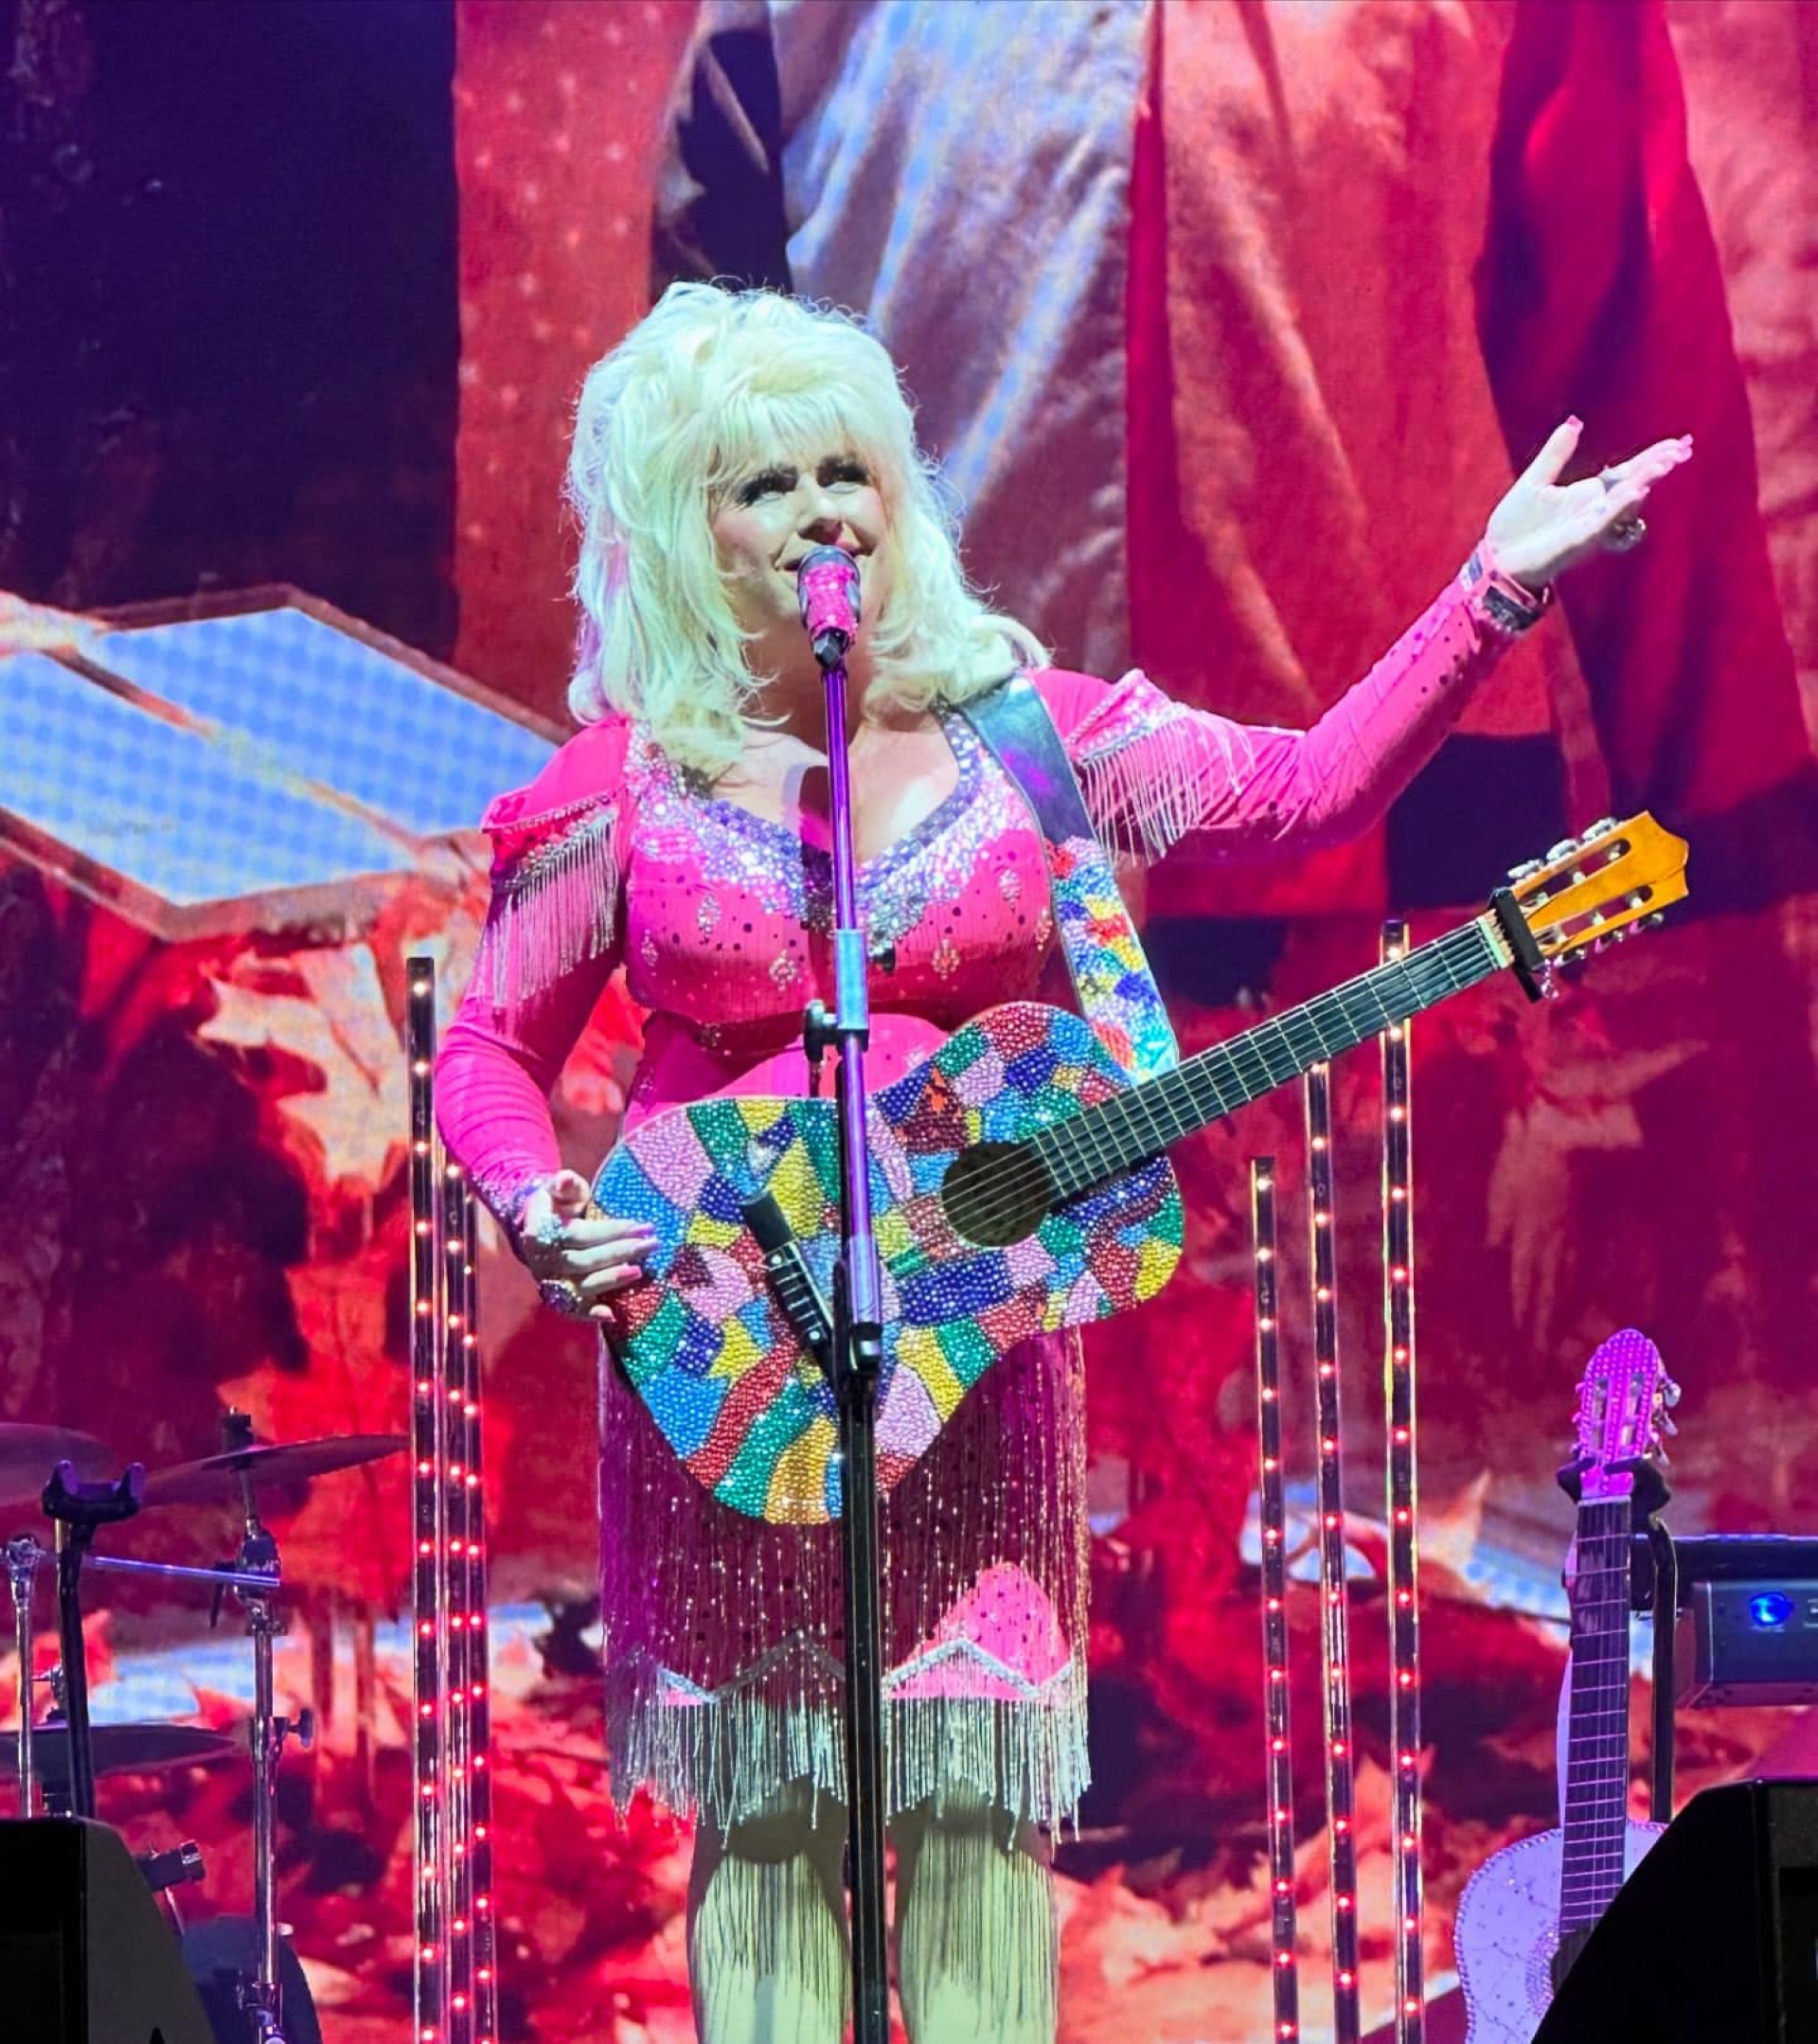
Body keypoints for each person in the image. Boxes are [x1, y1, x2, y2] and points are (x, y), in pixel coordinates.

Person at [434, 281, 1688, 2044]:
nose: (821, 517)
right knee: (776, 1823)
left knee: (966, 1823)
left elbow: (1306, 791)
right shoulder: (620, 791)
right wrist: (543, 1205)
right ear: (678, 525)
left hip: (973, 1363)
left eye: (845, 471)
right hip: (721, 1362)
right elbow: (489, 1046)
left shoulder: (1029, 739)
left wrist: (1494, 589)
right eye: (763, 486)